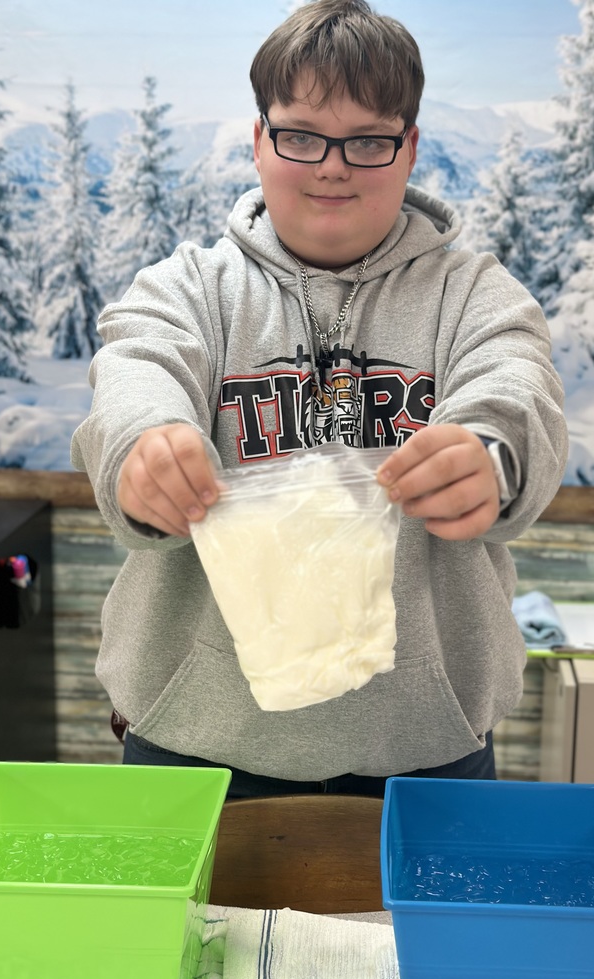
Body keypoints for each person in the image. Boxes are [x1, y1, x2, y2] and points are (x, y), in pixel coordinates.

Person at [71, 0, 568, 797]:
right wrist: (145, 445)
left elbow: (516, 387)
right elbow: (136, 368)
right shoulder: (186, 289)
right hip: (190, 746)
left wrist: (490, 454)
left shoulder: (477, 295)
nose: (332, 167)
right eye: (301, 134)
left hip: (427, 750)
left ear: (407, 148)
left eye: (367, 140)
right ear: (260, 140)